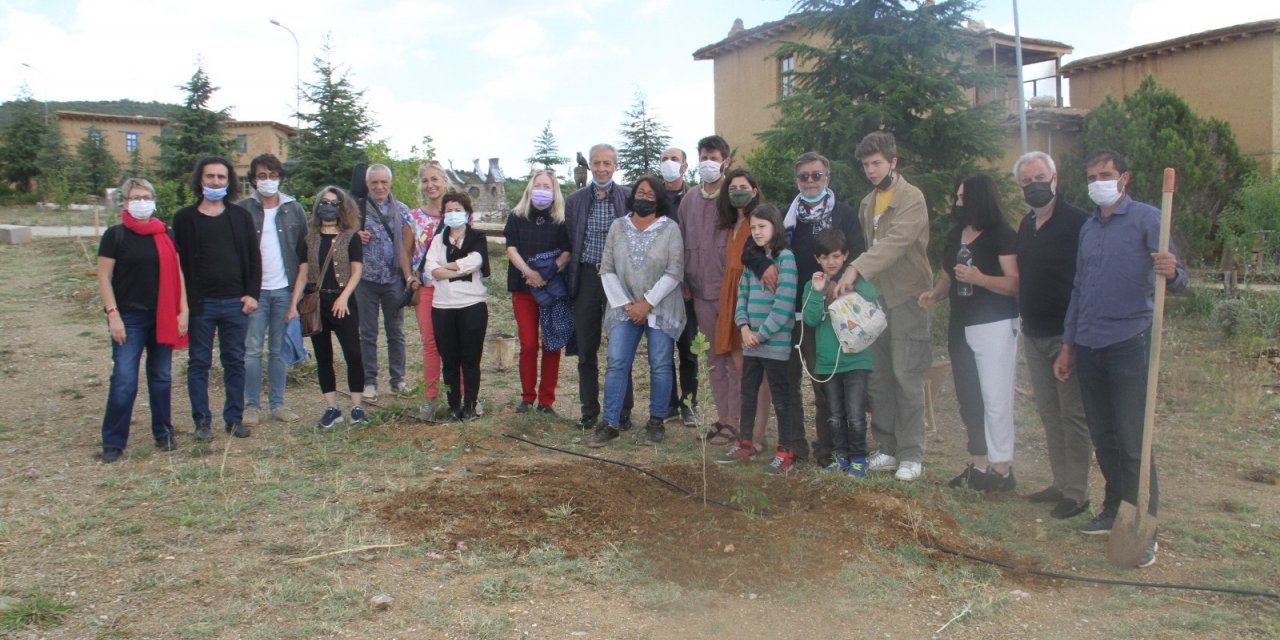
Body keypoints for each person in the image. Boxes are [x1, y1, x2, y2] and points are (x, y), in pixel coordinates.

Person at [1055, 149, 1187, 569]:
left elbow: (1178, 276)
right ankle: (1114, 507)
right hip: (1090, 343)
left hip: (1130, 339)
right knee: (1104, 435)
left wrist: (1172, 269)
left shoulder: (1149, 219)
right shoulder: (1088, 229)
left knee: (1133, 440)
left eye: (1106, 174)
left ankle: (1144, 524)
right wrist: (1068, 345)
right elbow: (1078, 288)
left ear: (1123, 178)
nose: (1099, 181)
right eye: (1092, 175)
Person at [745, 151, 867, 466]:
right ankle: (793, 445)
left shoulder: (843, 214)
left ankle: (827, 449)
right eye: (804, 176)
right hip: (788, 312)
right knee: (787, 382)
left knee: (823, 382)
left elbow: (857, 255)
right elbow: (753, 247)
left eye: (816, 175)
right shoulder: (785, 215)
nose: (810, 181)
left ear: (827, 177)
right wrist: (762, 266)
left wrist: (835, 287)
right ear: (796, 179)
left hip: (827, 311)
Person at [836, 132, 932, 482]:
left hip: (908, 297)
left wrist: (856, 267)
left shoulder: (912, 198)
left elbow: (896, 243)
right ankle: (889, 448)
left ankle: (911, 454)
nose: (871, 170)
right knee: (880, 378)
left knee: (907, 376)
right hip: (876, 301)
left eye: (877, 163)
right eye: (866, 165)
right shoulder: (866, 203)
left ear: (894, 161)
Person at [919, 174, 1021, 493]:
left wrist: (981, 278)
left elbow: (1015, 283)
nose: (957, 202)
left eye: (963, 197)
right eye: (957, 196)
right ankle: (979, 464)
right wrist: (935, 294)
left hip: (994, 324)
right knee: (968, 395)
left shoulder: (1002, 235)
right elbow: (949, 273)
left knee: (995, 397)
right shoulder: (956, 233)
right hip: (961, 324)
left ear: (981, 199)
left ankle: (1002, 470)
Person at [1013, 151, 1092, 519]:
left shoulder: (1079, 223)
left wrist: (1070, 342)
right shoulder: (1026, 226)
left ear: (1055, 176)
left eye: (1039, 177)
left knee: (1072, 415)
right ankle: (1060, 482)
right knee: (1049, 412)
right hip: (1034, 332)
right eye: (1027, 181)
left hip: (1065, 335)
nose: (1034, 185)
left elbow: (1086, 282)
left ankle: (1077, 493)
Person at [96, 178, 188, 462]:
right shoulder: (115, 235)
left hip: (162, 315)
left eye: (147, 196)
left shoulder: (166, 233)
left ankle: (163, 433)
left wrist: (183, 309)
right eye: (136, 197)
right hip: (129, 318)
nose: (142, 202)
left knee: (161, 377)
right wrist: (113, 315)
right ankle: (113, 442)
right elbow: (103, 276)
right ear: (125, 202)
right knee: (124, 379)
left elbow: (178, 272)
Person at [589, 176, 685, 447]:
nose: (645, 197)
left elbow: (675, 270)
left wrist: (647, 304)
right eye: (640, 192)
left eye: (651, 194)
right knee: (617, 362)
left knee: (661, 364)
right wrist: (627, 305)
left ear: (659, 199)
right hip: (624, 308)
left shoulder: (670, 229)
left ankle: (656, 422)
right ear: (633, 196)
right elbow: (606, 268)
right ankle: (610, 422)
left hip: (660, 306)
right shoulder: (618, 227)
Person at [173, 156, 261, 441]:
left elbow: (253, 258)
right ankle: (202, 422)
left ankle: (233, 419)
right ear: (200, 180)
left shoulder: (240, 216)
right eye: (210, 177)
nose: (215, 182)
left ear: (229, 182)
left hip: (236, 302)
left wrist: (252, 293)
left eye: (221, 178)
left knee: (235, 360)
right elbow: (179, 265)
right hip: (201, 304)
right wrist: (184, 304)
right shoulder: (184, 219)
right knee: (199, 362)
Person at [717, 204, 800, 474]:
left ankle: (786, 451)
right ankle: (745, 442)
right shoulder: (751, 258)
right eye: (753, 228)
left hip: (773, 344)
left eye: (762, 227)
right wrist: (743, 328)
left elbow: (784, 304)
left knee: (781, 397)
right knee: (748, 394)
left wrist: (761, 334)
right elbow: (742, 297)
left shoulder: (785, 258)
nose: (757, 232)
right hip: (750, 342)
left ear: (775, 227)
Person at [800, 229, 879, 477]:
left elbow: (873, 303)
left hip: (856, 359)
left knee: (855, 414)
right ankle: (840, 457)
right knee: (834, 414)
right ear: (817, 259)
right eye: (824, 257)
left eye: (835, 256)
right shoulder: (812, 286)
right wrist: (818, 293)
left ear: (845, 256)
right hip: (827, 362)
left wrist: (849, 289)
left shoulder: (858, 281)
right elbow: (811, 320)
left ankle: (858, 459)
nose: (830, 262)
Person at [566, 144, 634, 430]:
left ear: (615, 166)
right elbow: (570, 239)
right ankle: (589, 409)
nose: (602, 168)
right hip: (587, 277)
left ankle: (622, 411)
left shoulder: (628, 197)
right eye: (597, 163)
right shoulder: (576, 200)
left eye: (607, 163)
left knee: (620, 346)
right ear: (589, 166)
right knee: (587, 347)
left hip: (619, 280)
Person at [287, 187, 366, 428]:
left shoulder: (350, 236)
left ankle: (356, 406)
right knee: (324, 357)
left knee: (353, 353)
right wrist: (293, 306)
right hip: (316, 302)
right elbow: (302, 274)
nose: (328, 206)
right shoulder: (310, 239)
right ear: (318, 205)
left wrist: (344, 297)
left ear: (342, 207)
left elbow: (357, 271)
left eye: (333, 202)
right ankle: (331, 407)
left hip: (343, 302)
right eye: (324, 202)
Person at [238, 153, 307, 427]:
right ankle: (251, 406)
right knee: (252, 349)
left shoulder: (294, 209)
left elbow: (303, 253)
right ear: (254, 179)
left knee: (279, 350)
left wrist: (297, 297)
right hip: (255, 293)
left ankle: (277, 404)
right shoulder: (242, 209)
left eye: (273, 175)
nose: (268, 180)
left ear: (280, 177)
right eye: (262, 176)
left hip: (284, 290)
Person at [706, 169, 773, 452]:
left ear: (755, 190)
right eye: (732, 188)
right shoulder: (732, 222)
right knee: (739, 366)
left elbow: (767, 256)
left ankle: (758, 433)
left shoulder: (762, 220)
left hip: (751, 293)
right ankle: (745, 430)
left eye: (743, 186)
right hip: (730, 295)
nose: (737, 191)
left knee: (756, 367)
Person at [678, 135, 739, 440]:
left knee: (735, 358)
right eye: (703, 156)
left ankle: (739, 421)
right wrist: (684, 280)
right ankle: (723, 418)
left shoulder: (736, 192)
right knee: (714, 358)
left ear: (725, 161)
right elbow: (682, 242)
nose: (708, 162)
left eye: (713, 157)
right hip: (700, 292)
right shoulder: (689, 199)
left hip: (732, 291)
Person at [505, 170, 572, 416]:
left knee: (552, 344)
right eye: (538, 185)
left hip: (552, 289)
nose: (542, 190)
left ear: (554, 191)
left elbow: (567, 252)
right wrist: (528, 272)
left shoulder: (562, 219)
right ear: (529, 189)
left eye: (547, 186)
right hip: (524, 289)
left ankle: (546, 401)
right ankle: (527, 397)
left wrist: (547, 273)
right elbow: (510, 247)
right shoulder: (516, 216)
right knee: (529, 344)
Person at [426, 193, 491, 422]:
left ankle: (471, 405)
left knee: (471, 359)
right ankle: (454, 406)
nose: (453, 214)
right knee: (450, 360)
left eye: (458, 209)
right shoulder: (437, 240)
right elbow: (430, 269)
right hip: (442, 306)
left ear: (467, 213)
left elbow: (474, 262)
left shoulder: (476, 237)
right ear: (443, 214)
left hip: (472, 304)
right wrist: (453, 269)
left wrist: (445, 268)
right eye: (449, 210)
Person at [355, 163, 413, 401]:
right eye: (374, 182)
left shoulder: (402, 210)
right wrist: (354, 236)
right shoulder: (355, 210)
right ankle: (369, 381)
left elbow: (413, 243)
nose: (379, 187)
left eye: (383, 182)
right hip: (365, 279)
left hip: (393, 279)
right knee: (367, 333)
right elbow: (340, 237)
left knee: (396, 332)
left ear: (390, 183)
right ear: (367, 184)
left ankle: (397, 379)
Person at [404, 160, 447, 421]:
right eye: (425, 180)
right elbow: (405, 250)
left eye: (434, 179)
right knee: (430, 343)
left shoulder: (458, 212)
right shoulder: (414, 216)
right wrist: (408, 275)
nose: (430, 185)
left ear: (444, 181)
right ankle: (430, 398)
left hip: (453, 289)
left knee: (456, 343)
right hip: (427, 288)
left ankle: (463, 395)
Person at [658, 146, 698, 425]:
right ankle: (668, 403)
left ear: (684, 167)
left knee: (687, 346)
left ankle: (689, 404)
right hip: (656, 285)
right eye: (664, 159)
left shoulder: (694, 198)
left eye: (674, 159)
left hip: (686, 284)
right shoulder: (653, 197)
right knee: (662, 346)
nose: (669, 163)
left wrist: (686, 278)